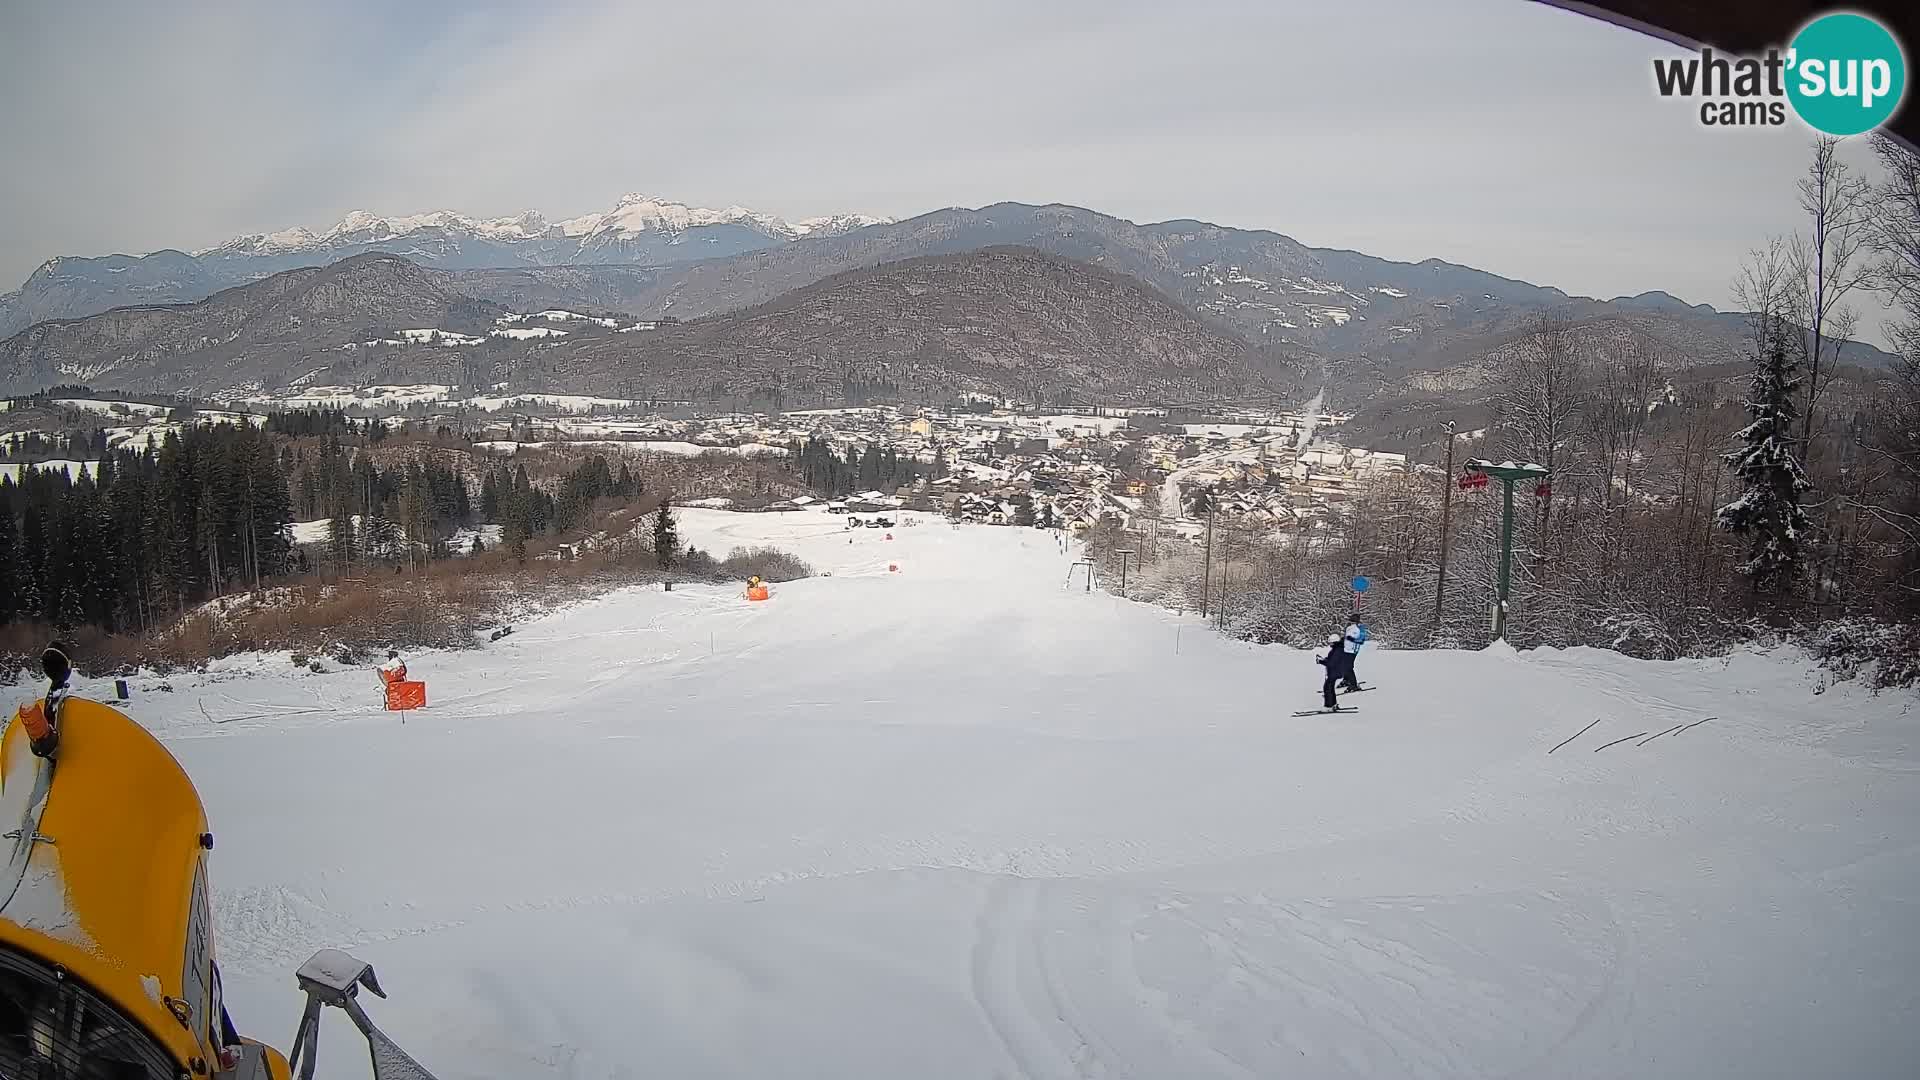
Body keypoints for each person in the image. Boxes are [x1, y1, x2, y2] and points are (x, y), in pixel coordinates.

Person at [1314, 631, 1350, 712]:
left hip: (1335, 672)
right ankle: (1333, 704)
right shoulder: (1338, 649)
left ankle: (1329, 706)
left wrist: (1321, 661)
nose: (1330, 644)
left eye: (1330, 643)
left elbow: (1331, 663)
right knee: (1330, 687)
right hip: (1336, 671)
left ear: (1334, 642)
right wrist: (1324, 660)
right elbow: (1332, 660)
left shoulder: (1337, 650)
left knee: (1327, 688)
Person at [1341, 617, 1369, 692]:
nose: (1351, 623)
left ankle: (1353, 685)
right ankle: (1346, 680)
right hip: (1346, 649)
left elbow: (1361, 640)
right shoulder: (1350, 628)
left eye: (1352, 622)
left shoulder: (1360, 628)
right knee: (1343, 665)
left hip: (1353, 650)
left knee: (1348, 667)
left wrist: (1352, 640)